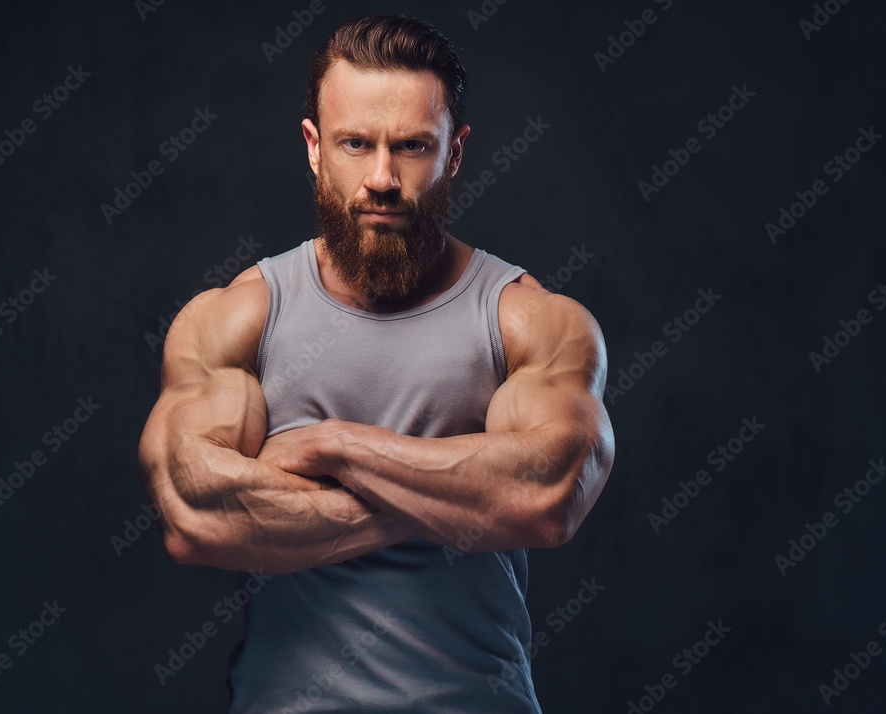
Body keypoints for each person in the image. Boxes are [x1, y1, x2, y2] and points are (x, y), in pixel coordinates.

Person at [138, 13, 614, 713]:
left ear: (454, 152)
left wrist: (331, 445)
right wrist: (462, 493)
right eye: (355, 144)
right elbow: (193, 515)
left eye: (413, 146)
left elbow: (546, 500)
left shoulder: (528, 320)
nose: (382, 177)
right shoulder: (238, 317)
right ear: (314, 147)